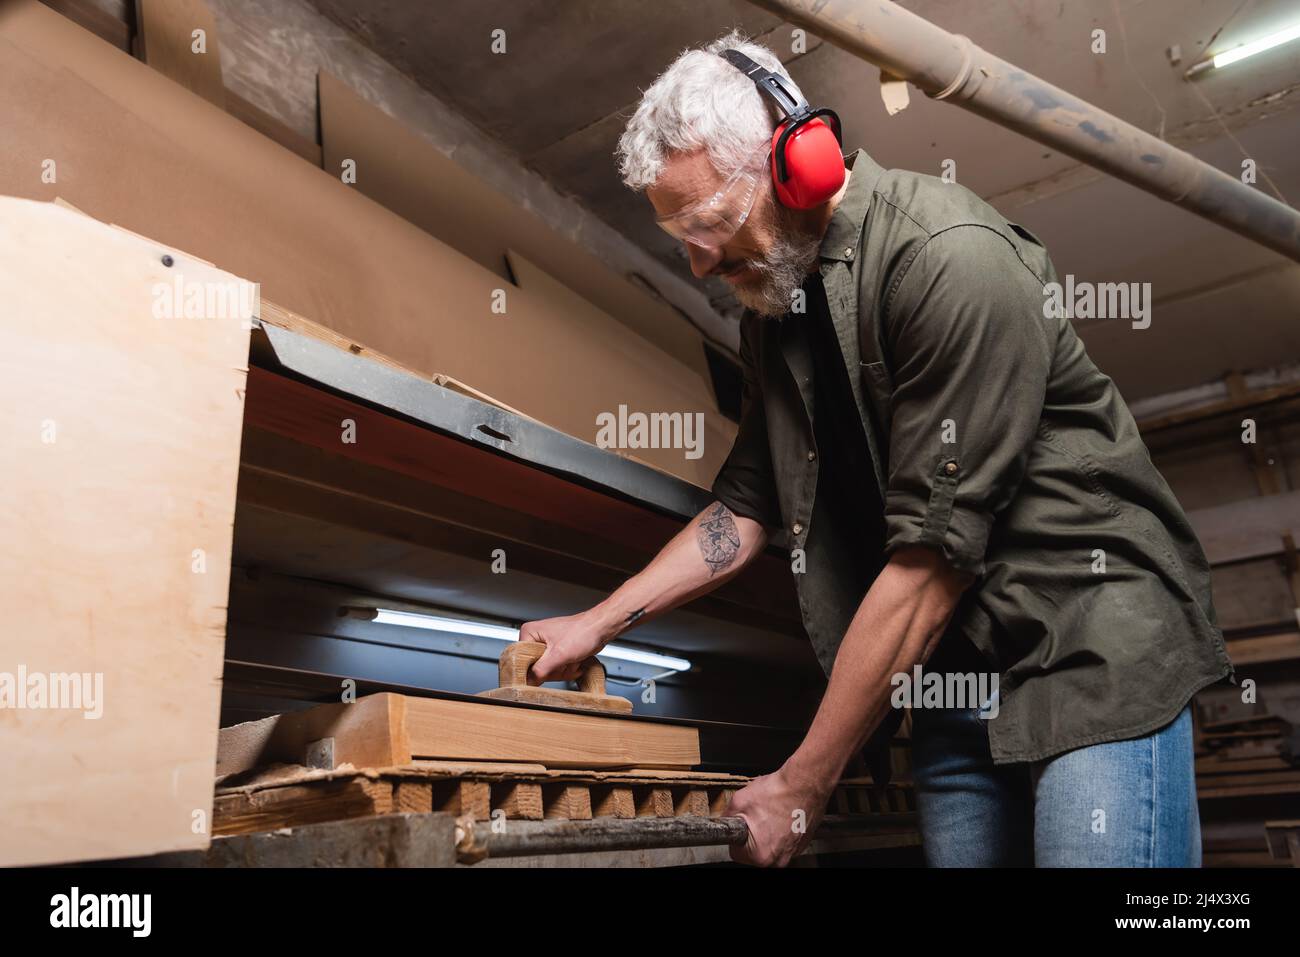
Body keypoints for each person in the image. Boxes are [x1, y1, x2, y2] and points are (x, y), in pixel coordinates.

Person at [520, 32, 1232, 867]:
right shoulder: (774, 312)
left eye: (711, 223)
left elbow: (933, 559)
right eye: (680, 233)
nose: (699, 262)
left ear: (800, 163)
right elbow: (749, 505)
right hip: (947, 679)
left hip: (1090, 650)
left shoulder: (951, 260)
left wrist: (804, 782)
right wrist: (594, 624)